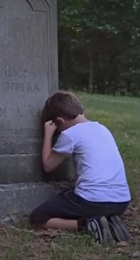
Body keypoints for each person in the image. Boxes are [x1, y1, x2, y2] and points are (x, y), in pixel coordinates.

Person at [29, 91, 131, 244]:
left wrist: (48, 135)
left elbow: (48, 166)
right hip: (122, 202)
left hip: (92, 201)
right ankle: (109, 222)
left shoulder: (70, 133)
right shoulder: (103, 129)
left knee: (37, 218)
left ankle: (88, 224)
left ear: (59, 121)